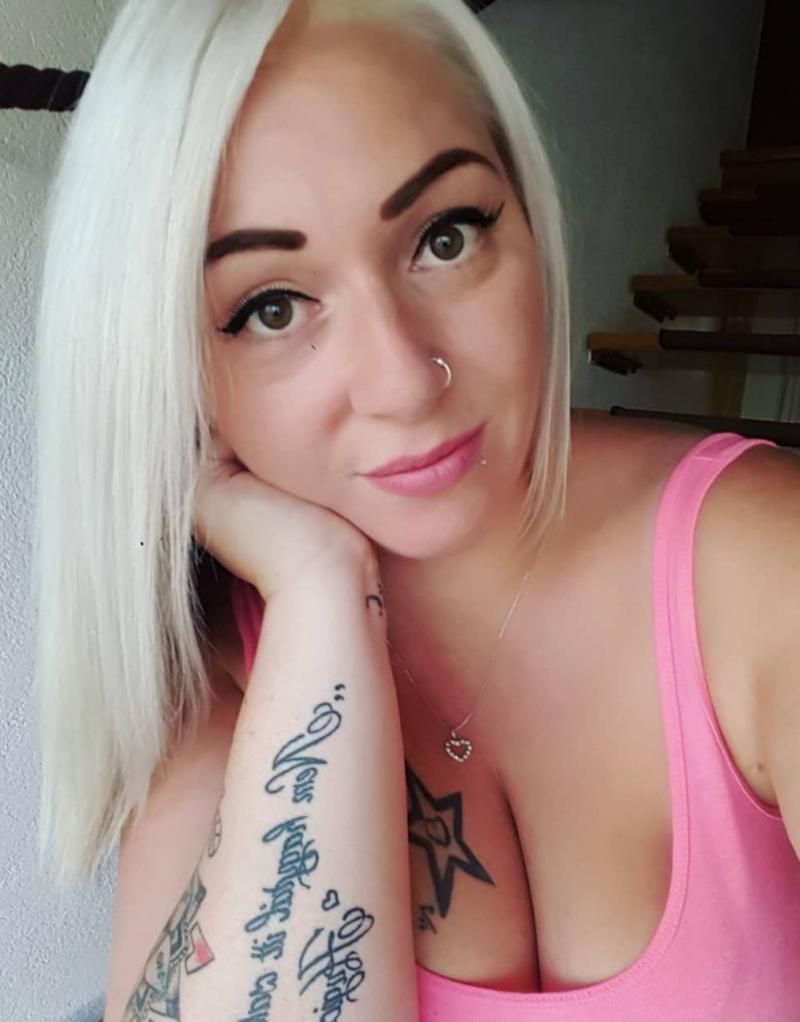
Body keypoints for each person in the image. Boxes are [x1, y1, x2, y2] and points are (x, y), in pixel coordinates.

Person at [31, 0, 800, 1019]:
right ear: (170, 366)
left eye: (444, 237)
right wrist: (318, 601)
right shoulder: (216, 677)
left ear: (528, 219)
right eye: (270, 308)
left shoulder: (762, 566)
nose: (401, 379)